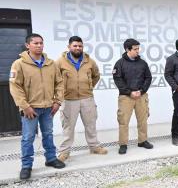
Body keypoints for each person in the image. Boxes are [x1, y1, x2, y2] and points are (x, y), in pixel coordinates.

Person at [9, 33, 65, 180]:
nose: (39, 45)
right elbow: (15, 87)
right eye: (35, 43)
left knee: (48, 134)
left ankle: (51, 158)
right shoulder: (19, 64)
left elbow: (59, 83)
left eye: (41, 43)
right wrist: (25, 106)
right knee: (28, 137)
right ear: (28, 45)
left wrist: (58, 101)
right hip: (30, 109)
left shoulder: (50, 63)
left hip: (48, 107)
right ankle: (26, 166)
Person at [56, 36, 107, 162]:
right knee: (68, 127)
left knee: (91, 125)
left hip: (87, 99)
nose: (78, 48)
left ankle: (94, 147)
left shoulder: (90, 61)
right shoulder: (60, 62)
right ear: (69, 47)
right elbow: (55, 80)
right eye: (75, 46)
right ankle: (64, 152)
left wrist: (89, 88)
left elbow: (96, 75)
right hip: (68, 100)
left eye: (80, 46)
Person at [113, 38, 153, 154]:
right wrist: (129, 92)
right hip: (126, 97)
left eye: (138, 48)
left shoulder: (142, 63)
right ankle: (123, 144)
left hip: (141, 96)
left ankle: (142, 141)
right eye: (135, 49)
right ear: (127, 49)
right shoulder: (119, 63)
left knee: (143, 119)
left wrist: (141, 91)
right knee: (123, 121)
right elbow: (118, 80)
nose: (138, 51)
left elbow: (148, 78)